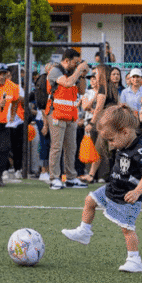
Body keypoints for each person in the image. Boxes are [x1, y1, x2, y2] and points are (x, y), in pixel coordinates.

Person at [61, 104, 142, 273]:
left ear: (125, 132)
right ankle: (84, 231)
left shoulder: (141, 151)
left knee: (127, 229)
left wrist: (136, 192)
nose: (110, 145)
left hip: (127, 196)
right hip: (112, 188)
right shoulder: (123, 143)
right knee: (90, 200)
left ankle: (135, 260)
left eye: (111, 140)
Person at [46, 48, 87, 191]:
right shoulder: (55, 71)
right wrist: (79, 70)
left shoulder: (74, 73)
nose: (76, 65)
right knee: (56, 147)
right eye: (75, 62)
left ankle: (71, 178)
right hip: (56, 113)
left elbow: (82, 90)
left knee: (71, 147)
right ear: (67, 60)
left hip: (71, 114)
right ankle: (54, 178)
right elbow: (68, 83)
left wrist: (82, 75)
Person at [83, 64, 119, 184]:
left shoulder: (103, 88)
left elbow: (98, 108)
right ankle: (92, 175)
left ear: (102, 74)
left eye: (97, 73)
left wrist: (91, 123)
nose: (95, 75)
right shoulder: (112, 87)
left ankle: (92, 175)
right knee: (105, 150)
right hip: (112, 121)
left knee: (99, 149)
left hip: (105, 122)